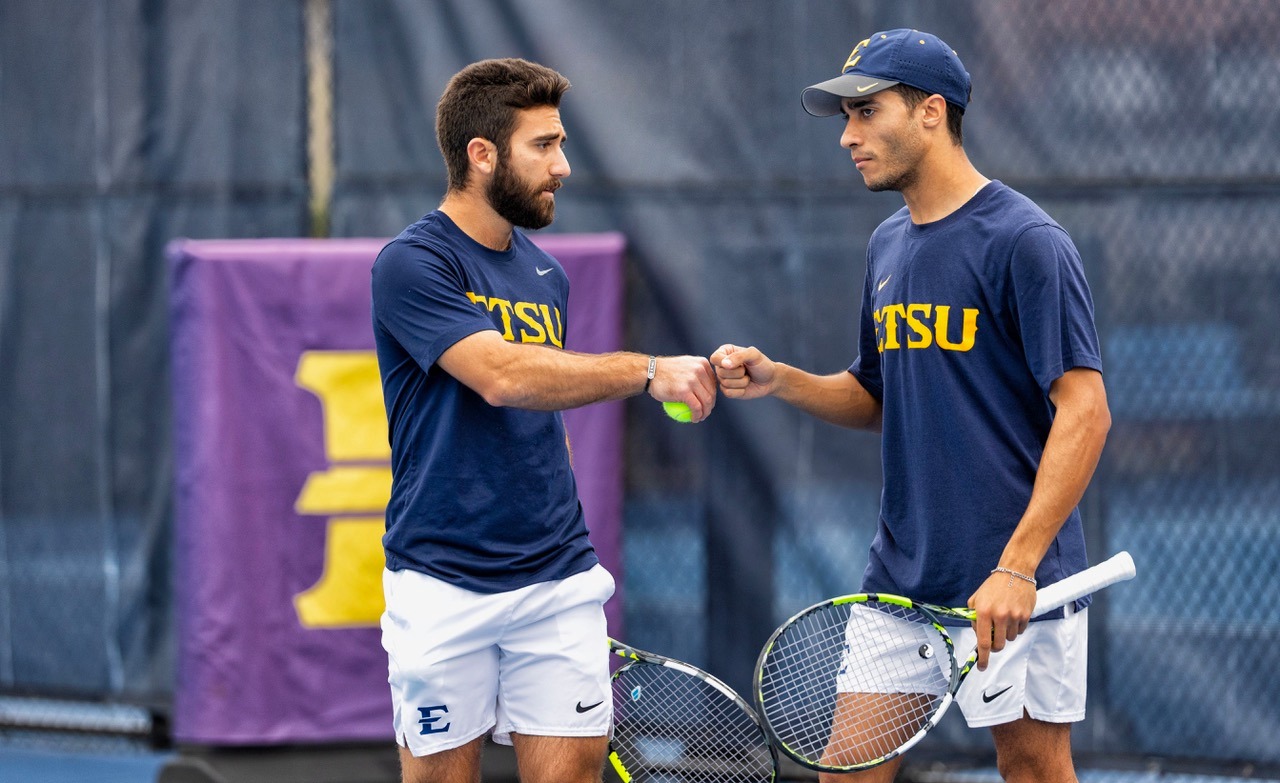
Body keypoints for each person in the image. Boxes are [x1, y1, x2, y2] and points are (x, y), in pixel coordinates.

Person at [712, 29, 1110, 783]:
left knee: (1032, 768)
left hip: (1013, 581)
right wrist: (780, 378)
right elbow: (875, 396)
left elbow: (1085, 411)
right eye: (845, 119)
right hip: (901, 583)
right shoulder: (888, 245)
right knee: (847, 772)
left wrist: (1017, 568)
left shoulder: (1028, 241)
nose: (850, 137)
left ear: (932, 111)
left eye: (867, 112)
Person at [371, 58, 716, 783]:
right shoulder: (411, 263)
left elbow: (538, 411)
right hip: (441, 582)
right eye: (544, 145)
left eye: (561, 144)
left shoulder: (545, 275)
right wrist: (648, 370)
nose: (563, 165)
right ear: (482, 154)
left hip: (557, 578)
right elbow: (500, 377)